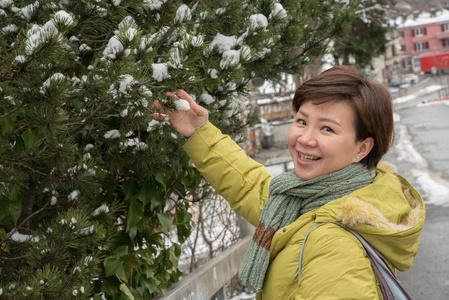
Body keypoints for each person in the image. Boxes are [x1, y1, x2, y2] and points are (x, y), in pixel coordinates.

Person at [153, 65, 425, 299]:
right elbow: (253, 187)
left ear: (362, 148)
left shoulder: (333, 246)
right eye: (302, 121)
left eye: (327, 128)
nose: (305, 138)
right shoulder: (306, 199)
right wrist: (201, 132)